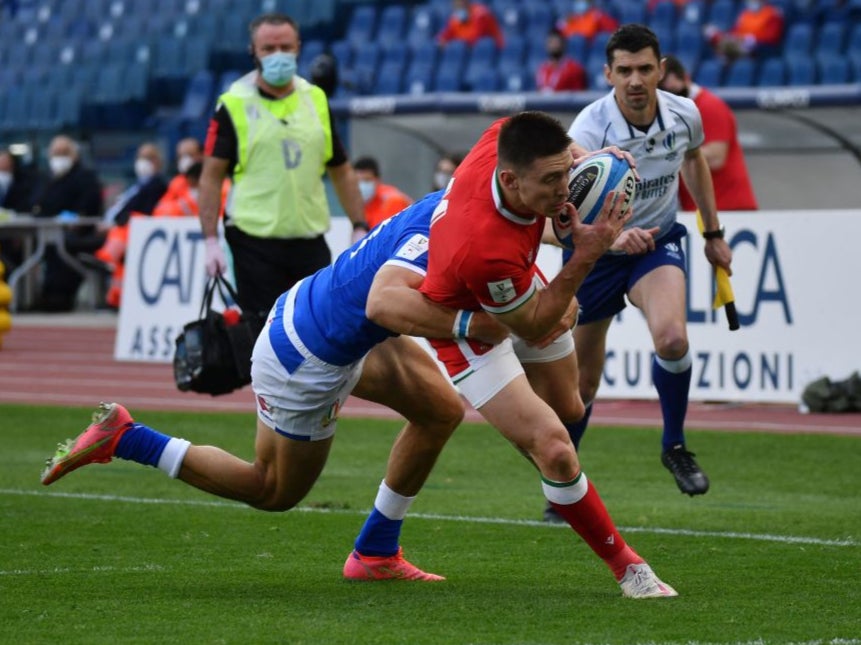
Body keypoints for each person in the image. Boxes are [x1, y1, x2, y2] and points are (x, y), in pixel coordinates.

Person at [41, 190, 511, 582]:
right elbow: (390, 305)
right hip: (305, 358)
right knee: (272, 489)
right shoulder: (447, 226)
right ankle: (129, 438)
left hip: (328, 317)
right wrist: (480, 323)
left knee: (440, 411)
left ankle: (375, 552)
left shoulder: (463, 199)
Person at [418, 111, 678, 598]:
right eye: (553, 180)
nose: (565, 189)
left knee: (571, 406)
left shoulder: (506, 140)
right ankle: (630, 569)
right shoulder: (484, 247)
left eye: (566, 173)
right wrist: (586, 255)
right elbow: (533, 324)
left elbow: (534, 134)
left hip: (514, 288)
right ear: (510, 179)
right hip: (467, 325)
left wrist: (592, 158)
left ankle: (542, 447)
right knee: (556, 448)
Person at [564, 24, 732, 498]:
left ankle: (675, 445)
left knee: (673, 339)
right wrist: (611, 236)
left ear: (661, 70)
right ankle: (564, 481)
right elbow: (567, 207)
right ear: (608, 74)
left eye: (644, 69)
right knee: (582, 385)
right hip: (597, 254)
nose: (635, 80)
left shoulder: (685, 114)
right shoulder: (590, 128)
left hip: (658, 241)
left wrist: (713, 233)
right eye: (624, 71)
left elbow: (695, 161)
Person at [200, 12, 368, 331]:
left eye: (285, 47)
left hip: (308, 238)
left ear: (298, 47)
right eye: (269, 48)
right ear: (254, 52)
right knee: (266, 334)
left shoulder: (315, 99)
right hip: (253, 239)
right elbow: (211, 176)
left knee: (318, 332)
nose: (278, 55)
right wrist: (210, 240)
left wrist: (359, 224)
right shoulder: (233, 104)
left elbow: (342, 170)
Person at [659, 54, 758, 212]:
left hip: (728, 207)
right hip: (700, 210)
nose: (670, 98)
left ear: (686, 78)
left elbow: (716, 157)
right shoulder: (666, 114)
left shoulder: (708, 106)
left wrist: (664, 154)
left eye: (672, 91)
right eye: (662, 92)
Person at [80, 142, 169, 309]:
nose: (143, 162)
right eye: (140, 157)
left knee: (116, 241)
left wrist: (114, 223)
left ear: (158, 161)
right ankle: (111, 292)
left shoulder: (157, 186)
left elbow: (144, 212)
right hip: (116, 229)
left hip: (135, 232)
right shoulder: (137, 186)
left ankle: (106, 260)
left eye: (148, 158)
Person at [31, 135, 104, 312]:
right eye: (56, 153)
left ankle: (59, 296)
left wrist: (73, 220)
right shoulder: (46, 179)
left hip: (78, 232)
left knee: (60, 246)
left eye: (64, 152)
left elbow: (89, 208)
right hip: (44, 230)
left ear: (74, 155)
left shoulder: (85, 177)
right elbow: (35, 204)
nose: (59, 157)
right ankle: (31, 295)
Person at [705, 0, 785, 61]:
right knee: (723, 42)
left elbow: (772, 37)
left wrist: (752, 39)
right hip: (741, 43)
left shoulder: (772, 13)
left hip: (760, 48)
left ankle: (730, 53)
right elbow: (735, 32)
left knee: (740, 47)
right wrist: (717, 34)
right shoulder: (745, 14)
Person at [353, 156, 413, 229]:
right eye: (357, 181)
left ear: (377, 180)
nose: (361, 185)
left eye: (367, 180)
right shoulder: (363, 203)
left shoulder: (393, 202)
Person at [535, 29, 587, 93]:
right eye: (550, 42)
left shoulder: (574, 69)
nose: (553, 45)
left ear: (563, 44)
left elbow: (580, 95)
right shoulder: (542, 69)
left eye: (556, 42)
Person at [436, 0, 504, 48]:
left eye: (460, 3)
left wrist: (453, 42)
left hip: (491, 50)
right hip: (470, 53)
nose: (457, 7)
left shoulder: (481, 14)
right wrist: (443, 41)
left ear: (466, 2)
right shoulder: (455, 18)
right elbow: (444, 37)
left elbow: (474, 38)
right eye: (455, 5)